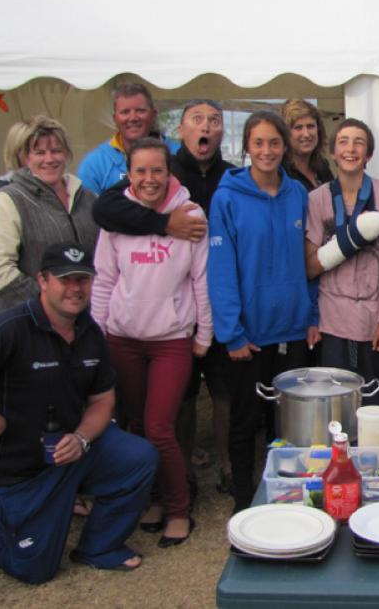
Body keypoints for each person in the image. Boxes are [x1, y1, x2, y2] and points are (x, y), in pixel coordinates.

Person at [0, 242, 157, 583]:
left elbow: (102, 401)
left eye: (83, 279)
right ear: (43, 280)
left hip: (69, 455)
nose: (76, 289)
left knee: (139, 456)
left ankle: (99, 546)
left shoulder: (90, 332)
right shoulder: (9, 329)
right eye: (66, 279)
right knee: (33, 569)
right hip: (17, 473)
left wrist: (80, 438)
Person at [91, 99, 234, 494]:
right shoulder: (136, 195)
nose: (205, 127)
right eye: (196, 120)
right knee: (155, 413)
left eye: (214, 121)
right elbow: (105, 226)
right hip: (134, 329)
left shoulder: (230, 177)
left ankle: (213, 473)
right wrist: (162, 223)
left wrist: (206, 330)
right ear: (181, 131)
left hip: (197, 315)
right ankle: (176, 473)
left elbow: (200, 276)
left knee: (216, 394)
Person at [90, 138, 211, 547]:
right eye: (140, 171)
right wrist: (98, 331)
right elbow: (105, 279)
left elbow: (201, 280)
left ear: (169, 172)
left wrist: (204, 335)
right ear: (130, 174)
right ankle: (153, 500)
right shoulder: (117, 219)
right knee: (136, 425)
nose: (149, 179)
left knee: (160, 426)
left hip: (170, 340)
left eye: (157, 170)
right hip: (122, 338)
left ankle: (178, 508)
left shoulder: (190, 215)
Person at [208, 111, 318, 513]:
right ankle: (243, 498)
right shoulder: (227, 198)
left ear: (284, 146)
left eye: (274, 143)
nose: (267, 151)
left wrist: (312, 315)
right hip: (248, 336)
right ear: (247, 148)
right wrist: (232, 334)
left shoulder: (297, 195)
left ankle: (286, 493)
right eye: (259, 143)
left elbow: (306, 261)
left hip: (292, 330)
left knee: (286, 424)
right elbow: (220, 271)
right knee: (244, 421)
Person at [305, 118, 379, 409]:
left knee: (374, 401)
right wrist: (346, 244)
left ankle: (374, 455)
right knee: (337, 405)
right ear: (333, 153)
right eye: (344, 142)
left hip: (376, 317)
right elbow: (311, 267)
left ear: (369, 154)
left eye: (359, 142)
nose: (351, 149)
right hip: (333, 318)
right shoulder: (317, 199)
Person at [0, 116, 99, 312]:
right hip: (28, 322)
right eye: (39, 152)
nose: (49, 159)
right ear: (26, 158)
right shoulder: (8, 200)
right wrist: (47, 304)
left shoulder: (88, 198)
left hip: (85, 319)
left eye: (56, 151)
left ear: (67, 154)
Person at [78, 82, 180, 194]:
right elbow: (88, 210)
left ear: (153, 115)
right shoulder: (95, 164)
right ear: (115, 119)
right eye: (125, 112)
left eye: (140, 111)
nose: (133, 118)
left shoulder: (178, 154)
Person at [281, 99, 334, 192]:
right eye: (298, 127)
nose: (306, 134)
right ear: (285, 134)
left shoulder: (322, 167)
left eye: (310, 126)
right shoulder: (280, 172)